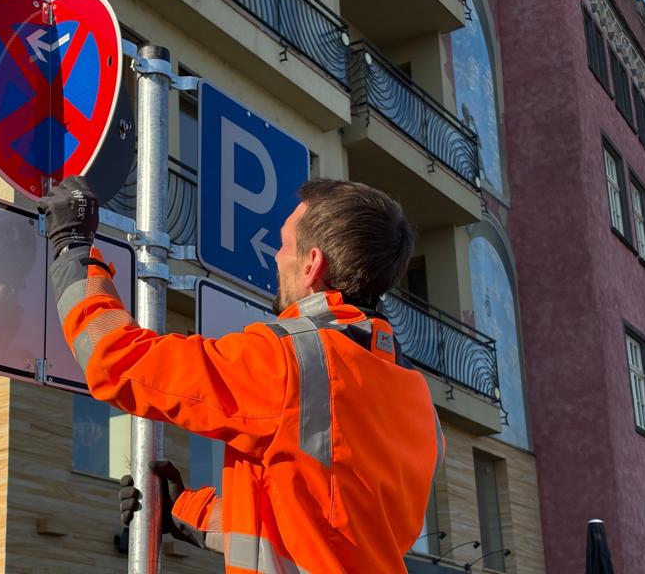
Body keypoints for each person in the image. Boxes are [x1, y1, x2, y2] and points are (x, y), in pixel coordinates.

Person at [38, 177, 444, 573]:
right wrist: (184, 512)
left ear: (312, 263)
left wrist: (73, 248)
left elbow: (117, 360)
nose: (275, 257)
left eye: (284, 245)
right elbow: (321, 535)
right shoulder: (416, 398)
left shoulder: (292, 360)